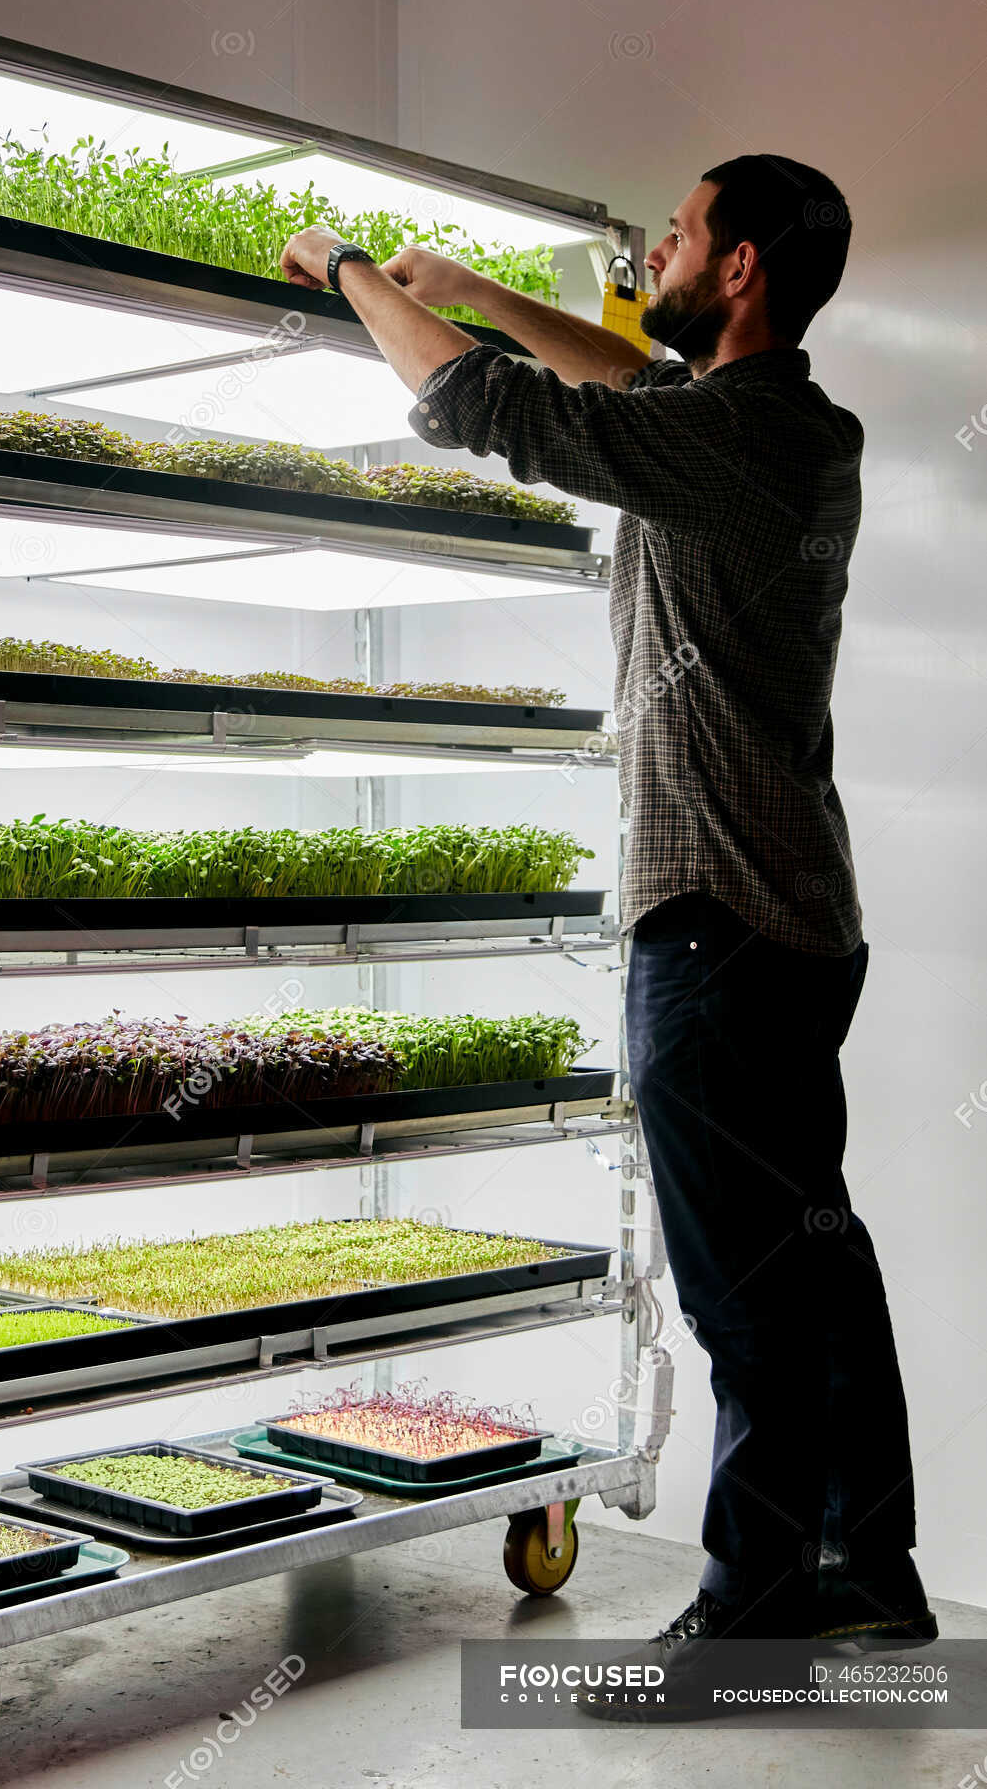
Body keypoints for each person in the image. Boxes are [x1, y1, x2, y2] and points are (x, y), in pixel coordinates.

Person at [280, 154, 934, 1716]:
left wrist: (354, 270)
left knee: (741, 1298)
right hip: (788, 921)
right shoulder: (786, 424)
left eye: (682, 231)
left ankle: (753, 1609)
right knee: (814, 1263)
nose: (652, 245)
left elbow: (497, 415)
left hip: (709, 924)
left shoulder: (726, 440)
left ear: (747, 268)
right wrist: (480, 295)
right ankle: (861, 1567)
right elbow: (628, 370)